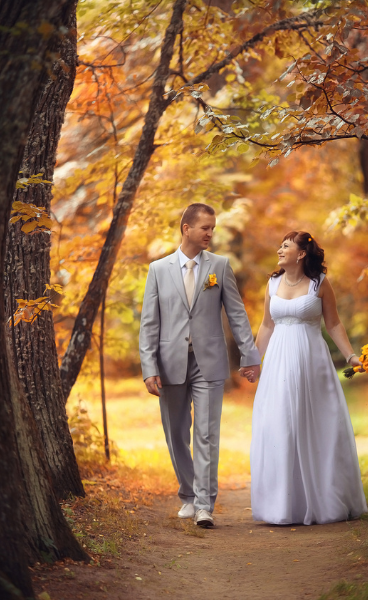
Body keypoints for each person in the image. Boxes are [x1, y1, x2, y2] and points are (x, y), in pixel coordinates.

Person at [139, 203, 261, 528]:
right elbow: (149, 324)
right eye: (205, 227)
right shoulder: (158, 270)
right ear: (186, 229)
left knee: (207, 434)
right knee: (177, 434)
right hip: (169, 363)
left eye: (213, 228)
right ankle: (188, 496)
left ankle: (205, 505)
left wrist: (249, 355)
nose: (210, 233)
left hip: (209, 362)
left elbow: (236, 314)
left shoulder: (220, 267)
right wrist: (148, 366)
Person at [250, 231, 368, 525]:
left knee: (315, 426)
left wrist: (352, 356)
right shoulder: (272, 283)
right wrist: (252, 360)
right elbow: (266, 326)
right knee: (280, 426)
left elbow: (334, 323)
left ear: (301, 254)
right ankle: (284, 506)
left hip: (311, 362)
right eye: (280, 245)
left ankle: (324, 499)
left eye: (286, 246)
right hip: (277, 363)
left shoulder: (319, 284)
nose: (279, 249)